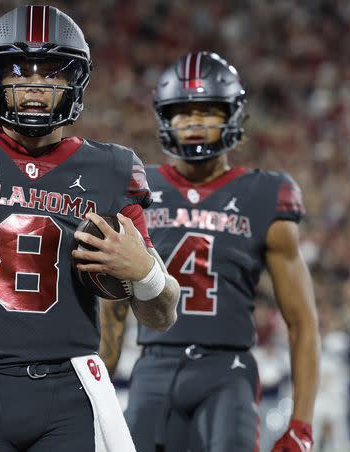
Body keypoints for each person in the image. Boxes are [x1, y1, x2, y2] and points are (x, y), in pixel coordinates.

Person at [0, 5, 180, 451]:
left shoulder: (113, 167)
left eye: (50, 74)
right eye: (18, 71)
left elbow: (163, 313)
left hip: (65, 390)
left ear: (75, 83)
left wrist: (144, 272)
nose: (33, 86)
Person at [99, 51, 320, 452]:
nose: (195, 123)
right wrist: (94, 399)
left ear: (232, 115)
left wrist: (301, 423)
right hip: (152, 367)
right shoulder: (135, 185)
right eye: (183, 112)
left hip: (227, 371)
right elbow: (112, 311)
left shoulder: (266, 193)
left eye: (208, 111)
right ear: (165, 118)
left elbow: (302, 321)